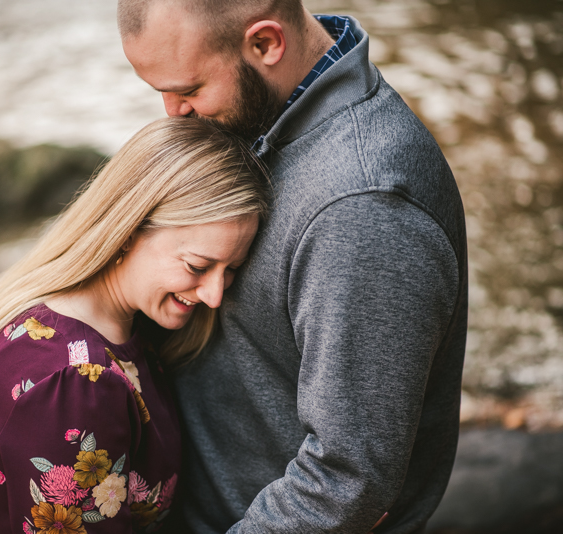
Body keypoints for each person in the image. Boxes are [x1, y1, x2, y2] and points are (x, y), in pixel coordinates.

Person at [118, 1, 467, 533]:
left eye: (189, 90)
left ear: (265, 44)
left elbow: (347, 479)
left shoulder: (362, 208)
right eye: (160, 91)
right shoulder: (261, 118)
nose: (173, 112)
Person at [0, 117, 269, 534]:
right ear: (128, 231)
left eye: (230, 269)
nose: (215, 295)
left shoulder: (90, 322)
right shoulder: (72, 385)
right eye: (198, 265)